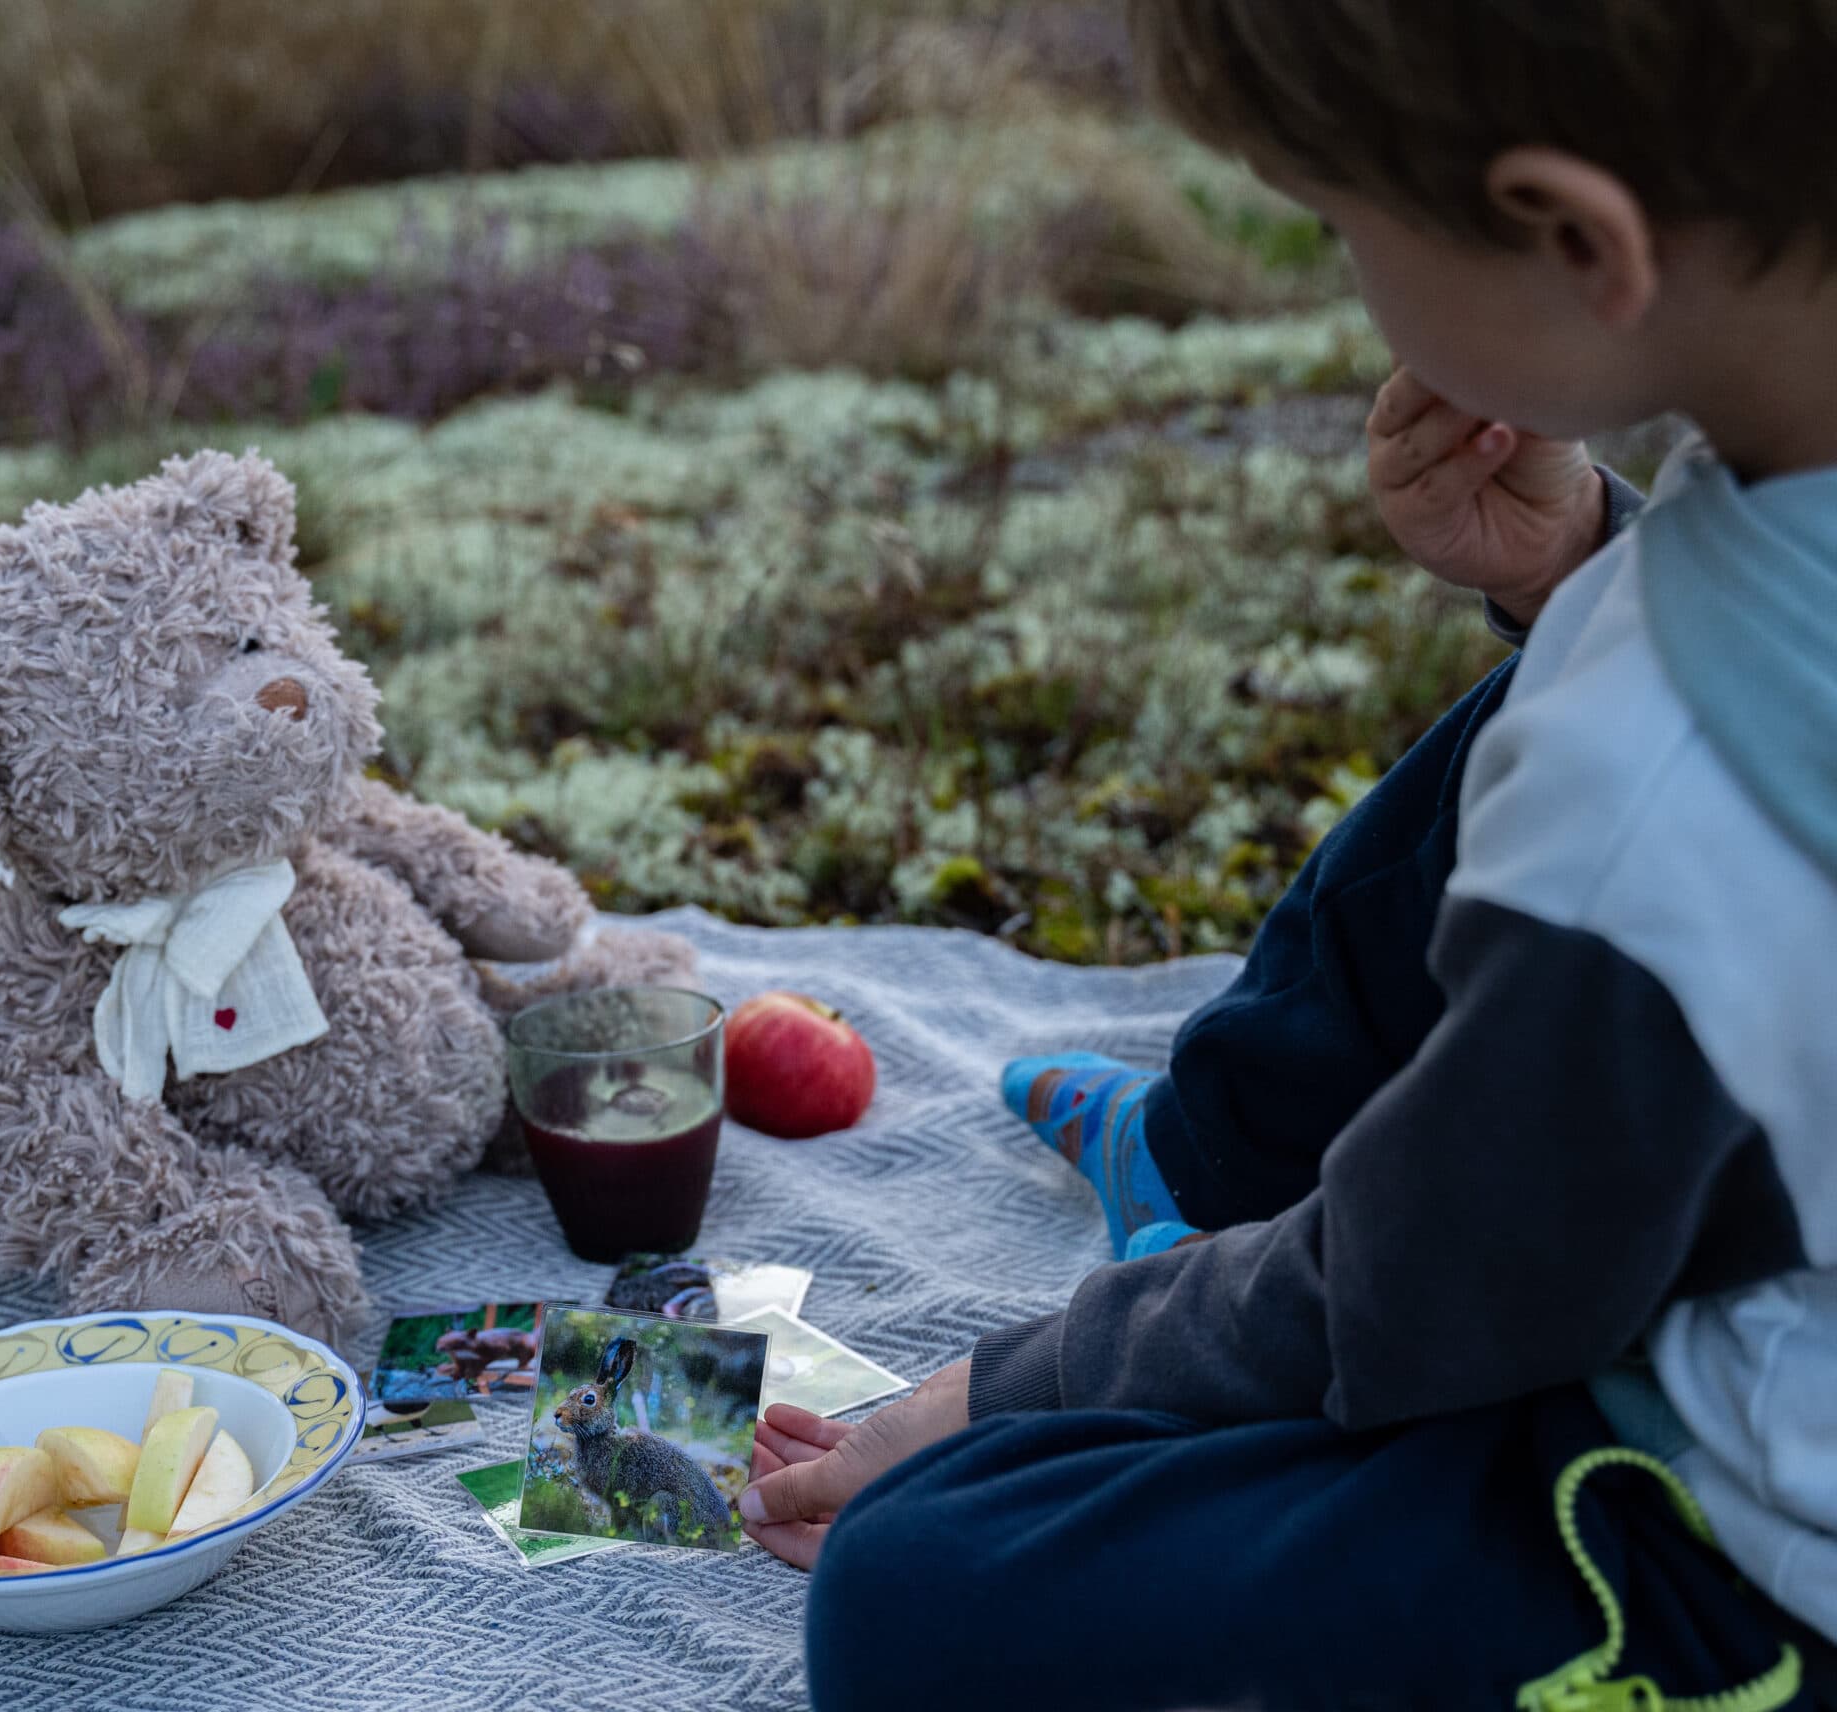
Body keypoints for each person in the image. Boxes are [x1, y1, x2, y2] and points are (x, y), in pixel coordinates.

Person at [738, 4, 1837, 1707]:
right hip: (1675, 1209)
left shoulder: (1650, 785)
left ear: (1574, 239)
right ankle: (1199, 1162)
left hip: (1739, 1555)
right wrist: (1586, 580)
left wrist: (1003, 1391)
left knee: (920, 1585)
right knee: (1558, 693)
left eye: (1341, 223)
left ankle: (1201, 1244)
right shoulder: (1693, 672)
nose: (1343, 274)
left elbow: (1414, 1294)